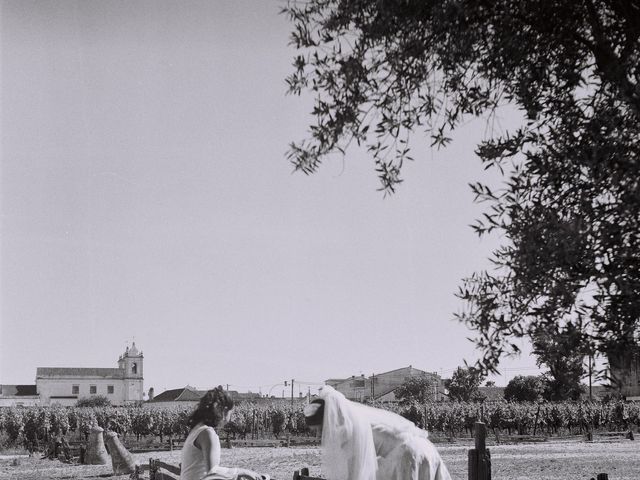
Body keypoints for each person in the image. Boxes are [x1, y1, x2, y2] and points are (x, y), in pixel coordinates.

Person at [303, 385, 451, 480]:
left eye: (318, 430)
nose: (318, 435)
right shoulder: (355, 418)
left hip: (406, 457)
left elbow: (357, 472)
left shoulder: (345, 431)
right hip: (424, 449)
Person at [181, 386, 265, 480]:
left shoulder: (197, 429)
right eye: (230, 413)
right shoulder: (207, 433)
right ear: (224, 410)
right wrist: (242, 472)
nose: (230, 419)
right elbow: (213, 472)